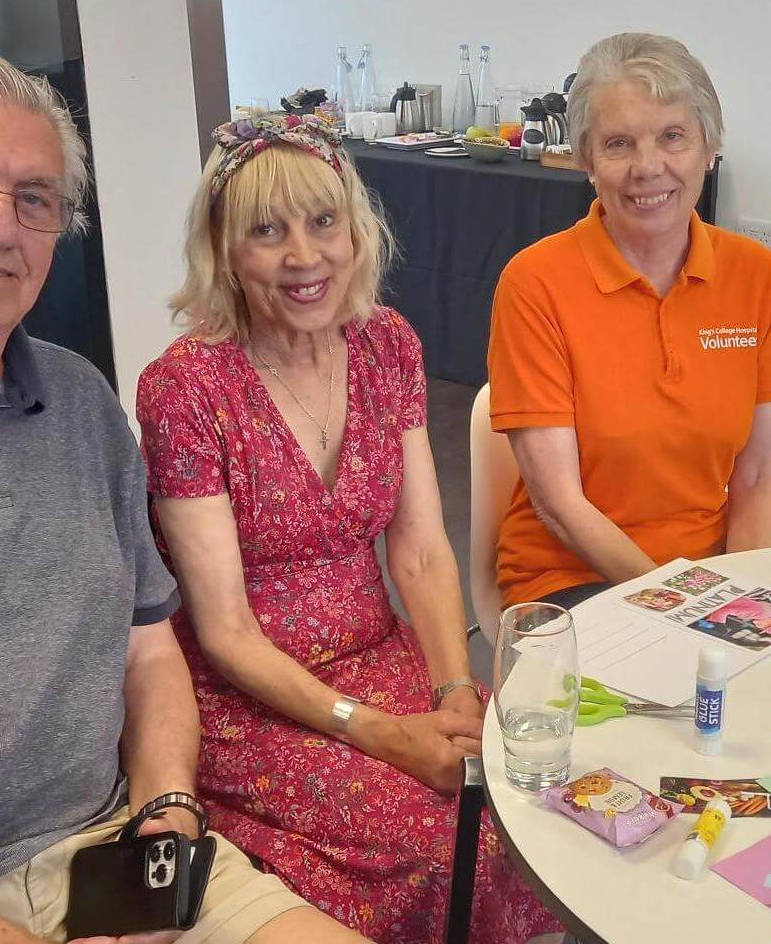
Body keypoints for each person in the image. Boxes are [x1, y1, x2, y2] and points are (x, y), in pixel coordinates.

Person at [0, 47, 362, 944]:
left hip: (107, 857)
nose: (0, 227)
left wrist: (166, 820)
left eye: (35, 199)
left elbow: (151, 656)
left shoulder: (82, 399)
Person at [135, 112, 558, 944]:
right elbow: (224, 633)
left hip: (381, 654)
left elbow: (424, 549)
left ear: (356, 231)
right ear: (223, 250)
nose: (304, 256)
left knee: (531, 791)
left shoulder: (386, 346)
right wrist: (385, 737)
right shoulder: (183, 390)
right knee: (441, 841)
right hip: (251, 697)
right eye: (267, 231)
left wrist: (453, 693)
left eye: (323, 222)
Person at [487, 32, 771, 613]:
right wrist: (683, 609)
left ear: (709, 145)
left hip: (715, 577)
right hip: (571, 580)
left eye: (673, 136)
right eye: (619, 144)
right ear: (586, 160)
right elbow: (560, 505)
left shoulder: (755, 275)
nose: (648, 168)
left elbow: (759, 477)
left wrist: (749, 595)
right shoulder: (535, 284)